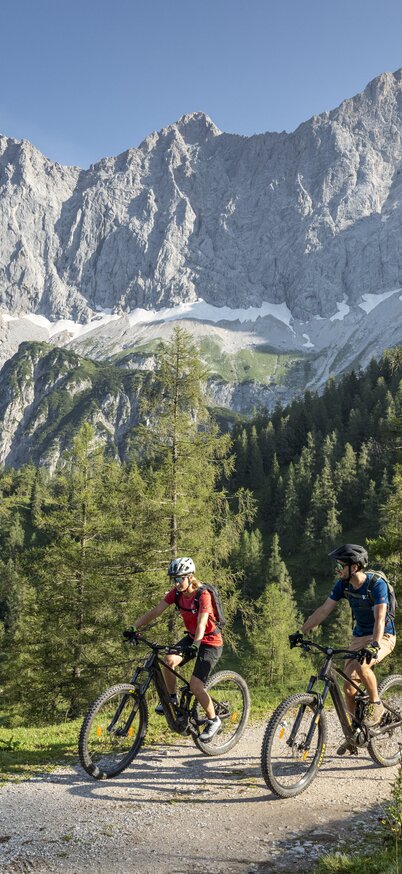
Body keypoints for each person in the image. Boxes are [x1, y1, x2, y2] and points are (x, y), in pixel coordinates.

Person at [302, 543, 396, 754]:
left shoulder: (376, 584)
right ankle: (354, 734)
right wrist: (302, 630)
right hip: (359, 637)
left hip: (383, 636)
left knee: (364, 667)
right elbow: (324, 609)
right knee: (348, 688)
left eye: (341, 565)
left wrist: (374, 644)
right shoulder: (343, 585)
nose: (338, 569)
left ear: (354, 567)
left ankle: (376, 704)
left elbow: (380, 618)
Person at [132, 557, 224, 742]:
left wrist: (195, 646)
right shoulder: (176, 594)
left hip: (210, 642)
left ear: (190, 577)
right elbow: (155, 611)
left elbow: (202, 623)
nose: (176, 582)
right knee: (169, 660)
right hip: (192, 639)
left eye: (179, 578)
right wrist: (134, 627)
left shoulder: (203, 595)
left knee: (195, 686)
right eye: (174, 579)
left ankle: (214, 720)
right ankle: (172, 698)